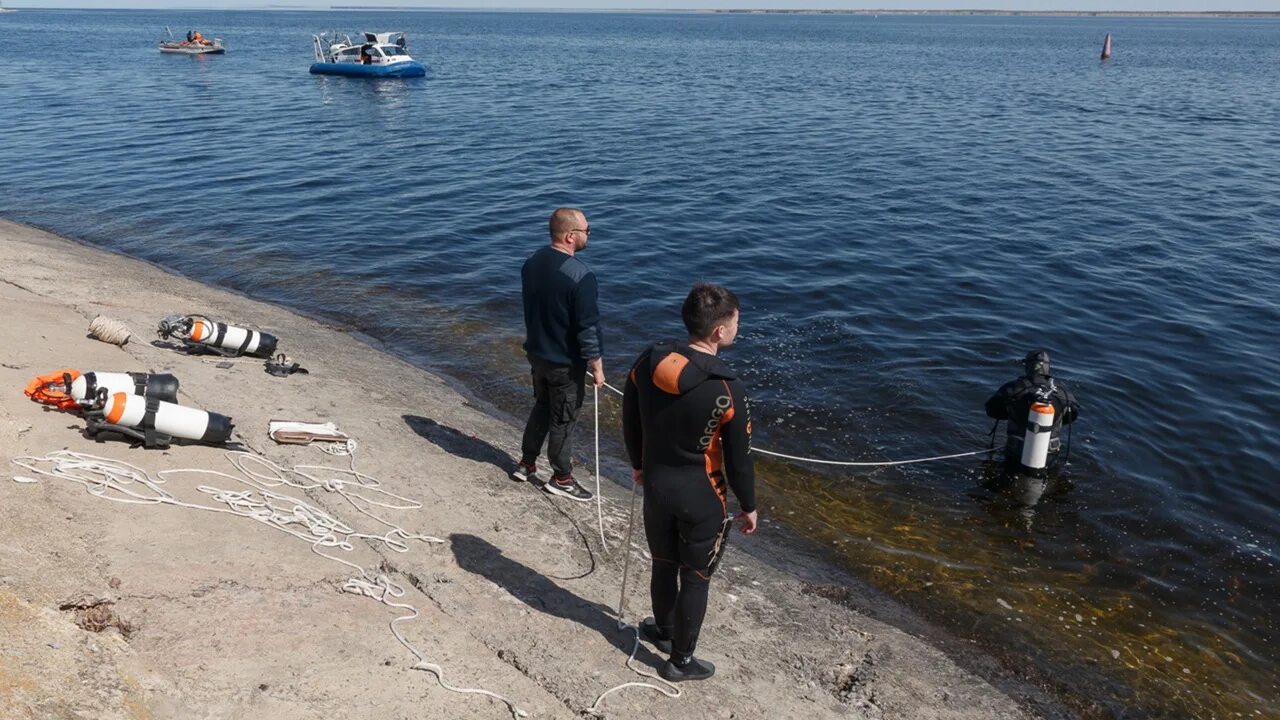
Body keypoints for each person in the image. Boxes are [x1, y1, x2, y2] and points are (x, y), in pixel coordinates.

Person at [623, 282, 757, 682]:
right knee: (695, 577)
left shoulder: (648, 360)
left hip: (657, 485)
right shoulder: (726, 387)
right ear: (719, 331)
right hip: (701, 496)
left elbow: (630, 415)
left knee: (663, 563)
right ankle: (681, 661)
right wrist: (748, 505)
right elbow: (739, 458)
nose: (737, 327)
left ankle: (663, 632)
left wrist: (637, 464)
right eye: (735, 321)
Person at [512, 207, 604, 502]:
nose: (589, 234)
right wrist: (597, 367)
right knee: (564, 418)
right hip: (564, 363)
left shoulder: (532, 262)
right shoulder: (581, 276)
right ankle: (561, 477)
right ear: (570, 235)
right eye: (587, 230)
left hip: (537, 354)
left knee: (542, 406)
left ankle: (526, 464)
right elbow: (587, 328)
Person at [985, 349, 1079, 470]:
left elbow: (992, 411)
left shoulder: (1013, 387)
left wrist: (1014, 411)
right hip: (1049, 454)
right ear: (1048, 367)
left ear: (1028, 366)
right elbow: (1072, 416)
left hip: (1017, 452)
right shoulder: (1062, 391)